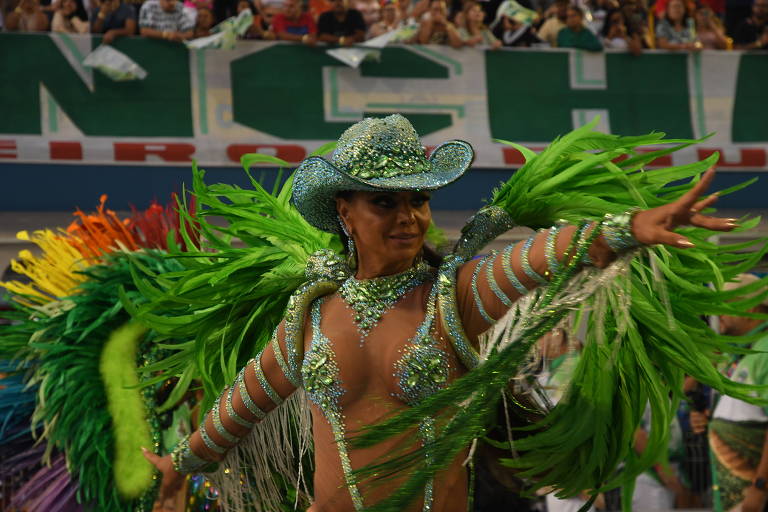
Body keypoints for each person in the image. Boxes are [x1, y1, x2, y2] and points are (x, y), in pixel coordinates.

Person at [141, 114, 741, 512]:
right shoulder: (311, 317)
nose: (409, 216)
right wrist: (179, 463)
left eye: (419, 199)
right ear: (344, 210)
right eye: (385, 202)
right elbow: (240, 406)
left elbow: (543, 256)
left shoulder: (453, 297)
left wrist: (630, 227)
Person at [692, 274, 768, 512]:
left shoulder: (765, 350)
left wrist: (760, 488)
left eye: (725, 304)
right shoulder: (737, 354)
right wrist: (709, 419)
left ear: (750, 308)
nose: (718, 314)